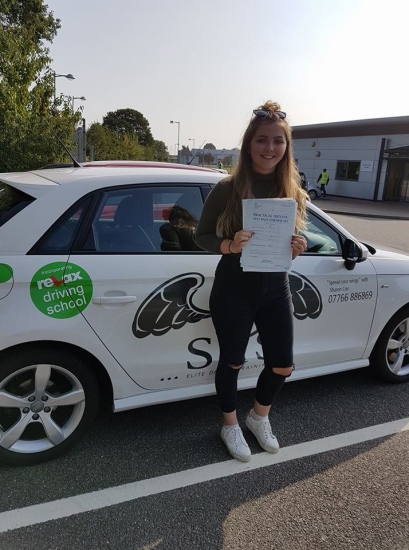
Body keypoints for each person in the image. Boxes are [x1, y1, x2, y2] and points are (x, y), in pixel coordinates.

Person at [195, 101, 308, 462]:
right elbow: (200, 235)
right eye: (262, 140)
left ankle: (258, 417)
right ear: (248, 144)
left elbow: (291, 239)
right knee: (232, 361)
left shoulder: (292, 190)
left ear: (287, 147)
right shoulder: (227, 188)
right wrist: (228, 245)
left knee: (283, 364)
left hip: (275, 287)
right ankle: (229, 425)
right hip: (234, 287)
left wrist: (297, 246)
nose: (270, 148)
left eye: (278, 141)